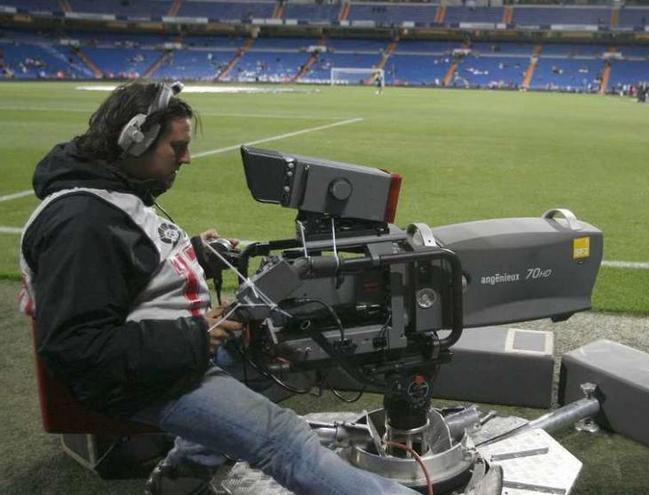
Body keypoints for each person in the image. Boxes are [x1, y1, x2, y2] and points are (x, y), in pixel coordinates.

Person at [18, 81, 418, 495]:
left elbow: (127, 268)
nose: (187, 158)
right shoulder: (81, 224)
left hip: (169, 354)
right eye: (177, 147)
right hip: (139, 381)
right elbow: (77, 347)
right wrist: (197, 336)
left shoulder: (113, 195)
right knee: (285, 441)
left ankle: (180, 478)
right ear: (134, 142)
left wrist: (197, 254)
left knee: (283, 360)